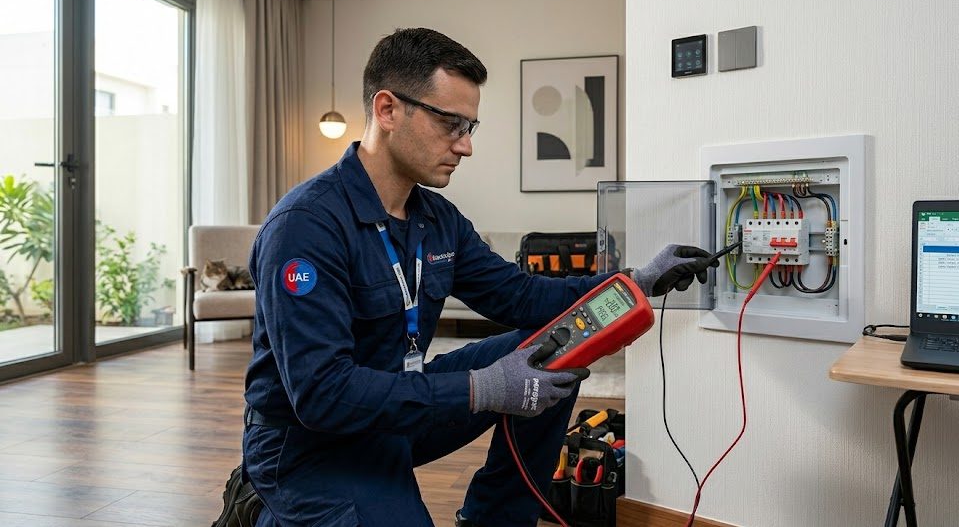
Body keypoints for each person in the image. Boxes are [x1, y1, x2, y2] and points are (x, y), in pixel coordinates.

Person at [242, 27, 717, 527]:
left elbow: (522, 296)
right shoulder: (306, 226)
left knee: (555, 345)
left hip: (399, 409)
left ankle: (495, 519)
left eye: (470, 127)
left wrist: (636, 283)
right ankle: (267, 509)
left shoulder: (437, 220)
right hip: (311, 443)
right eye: (450, 124)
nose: (465, 146)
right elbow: (322, 394)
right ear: (387, 110)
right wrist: (482, 388)